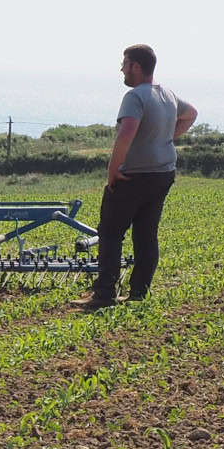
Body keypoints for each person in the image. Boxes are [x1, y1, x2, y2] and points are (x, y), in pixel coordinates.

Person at [74, 44, 197, 311]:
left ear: (136, 67)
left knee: (110, 233)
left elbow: (126, 132)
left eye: (125, 63)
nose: (122, 68)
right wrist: (164, 138)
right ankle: (138, 293)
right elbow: (191, 114)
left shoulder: (135, 96)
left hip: (134, 176)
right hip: (163, 174)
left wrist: (112, 171)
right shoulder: (168, 94)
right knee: (146, 233)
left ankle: (104, 294)